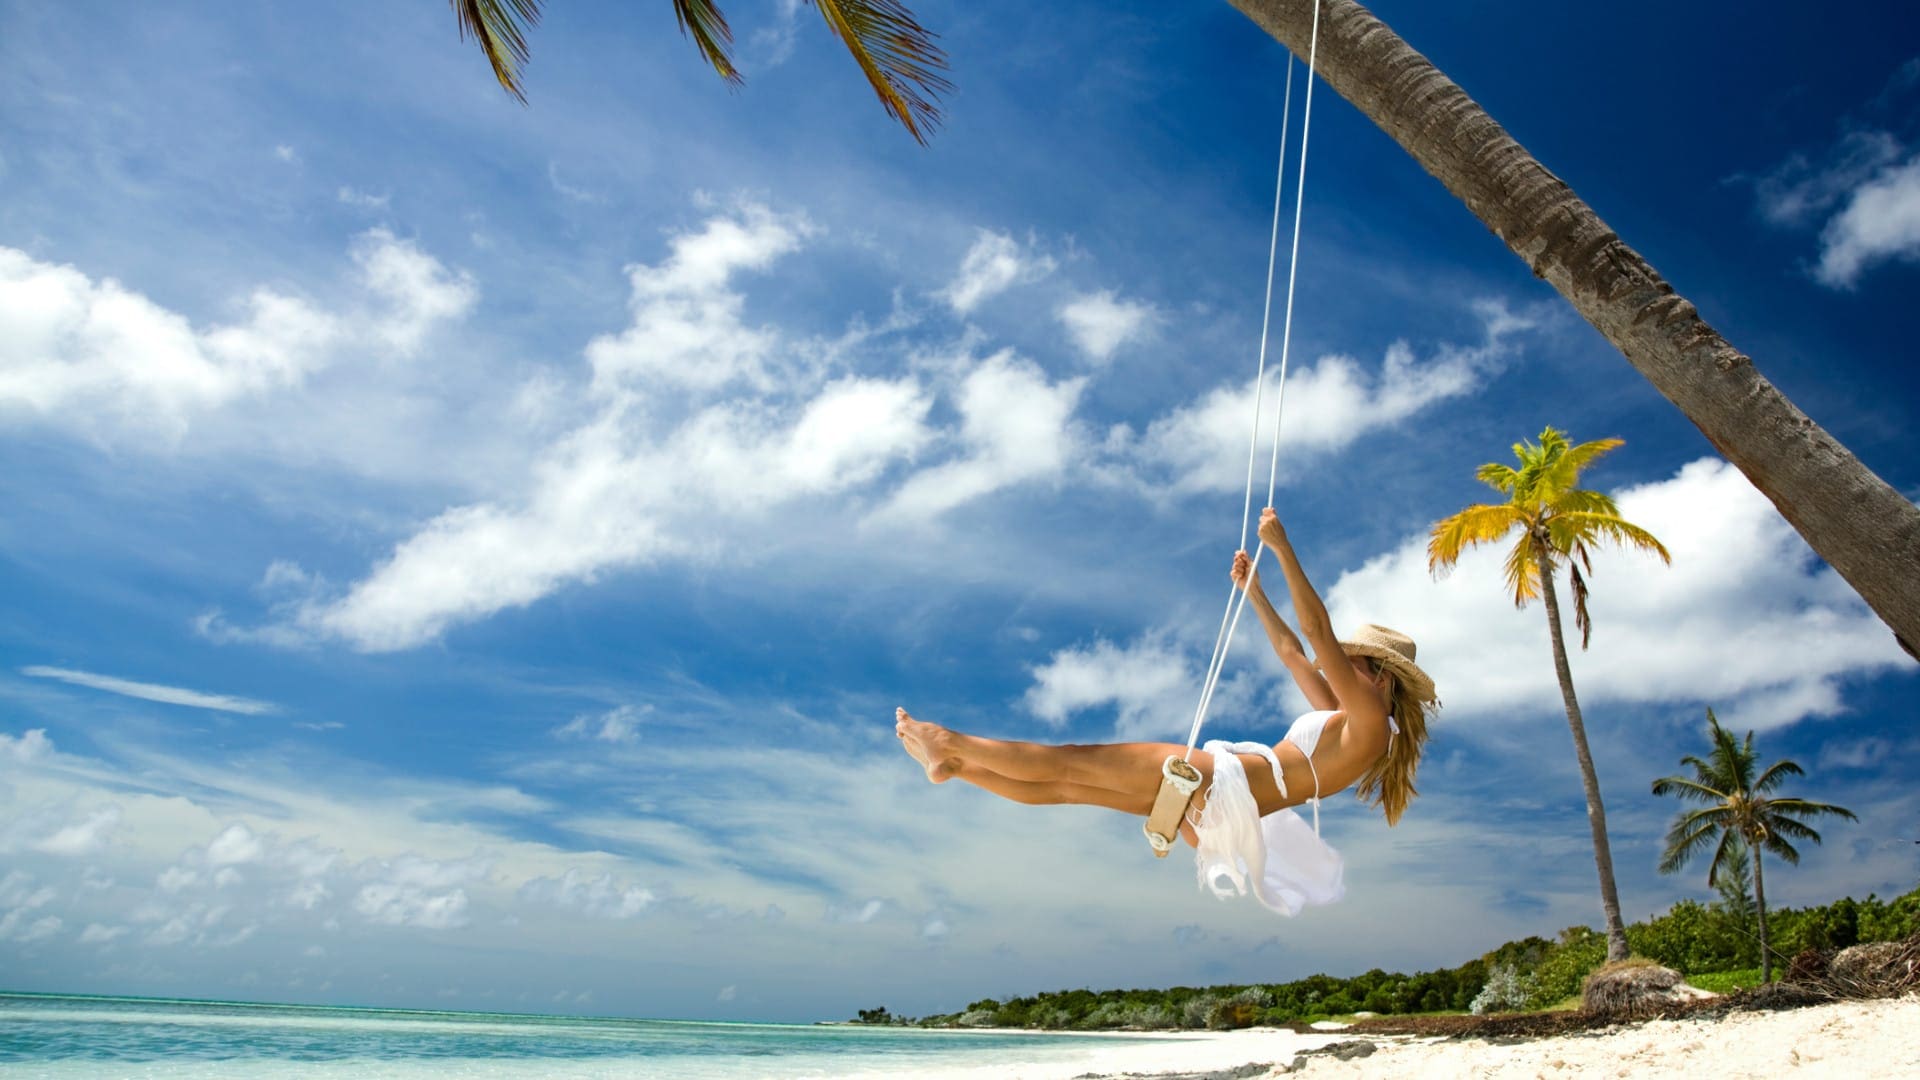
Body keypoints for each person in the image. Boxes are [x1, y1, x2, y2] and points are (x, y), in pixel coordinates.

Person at [895, 508, 1437, 915]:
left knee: (1070, 764)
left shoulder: (1368, 716)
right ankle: (960, 767)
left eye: (1355, 659)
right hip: (1218, 815)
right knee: (1067, 786)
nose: (1342, 663)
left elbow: (1316, 635)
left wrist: (1283, 547)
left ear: (1382, 677)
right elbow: (1295, 652)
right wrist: (1255, 591)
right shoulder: (1357, 730)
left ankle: (950, 744)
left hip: (1221, 784)